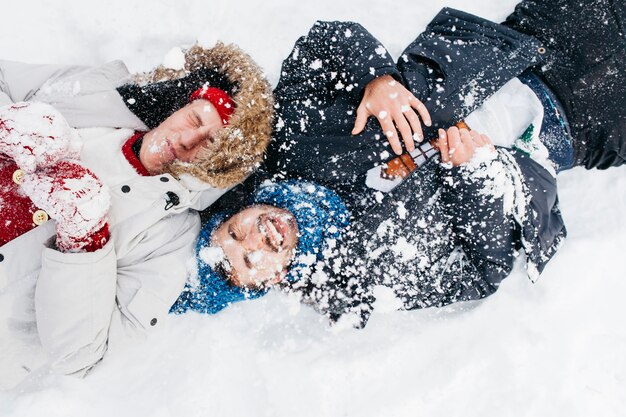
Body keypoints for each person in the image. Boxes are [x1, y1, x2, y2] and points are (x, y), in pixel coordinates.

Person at [172, 0, 624, 324]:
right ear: (268, 284)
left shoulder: (293, 148)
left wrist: (376, 77)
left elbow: (324, 42)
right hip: (582, 128)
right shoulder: (367, 277)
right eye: (250, 262)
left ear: (235, 211)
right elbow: (482, 268)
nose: (256, 238)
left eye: (234, 232)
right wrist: (475, 171)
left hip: (526, 45)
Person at [0, 43, 274, 387]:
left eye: (211, 144)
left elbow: (80, 356)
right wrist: (8, 123)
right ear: (182, 103)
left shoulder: (171, 239)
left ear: (218, 166)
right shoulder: (101, 92)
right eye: (195, 119)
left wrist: (85, 238)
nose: (189, 140)